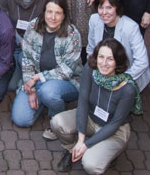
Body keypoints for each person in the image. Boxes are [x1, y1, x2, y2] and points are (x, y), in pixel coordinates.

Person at [51, 38, 142, 174]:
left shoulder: (127, 88)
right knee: (57, 122)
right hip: (91, 118)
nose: (104, 63)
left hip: (115, 130)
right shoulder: (90, 69)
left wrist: (86, 145)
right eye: (101, 57)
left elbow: (115, 123)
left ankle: (110, 153)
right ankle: (72, 150)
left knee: (91, 165)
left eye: (110, 59)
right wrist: (81, 140)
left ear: (118, 61)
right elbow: (82, 102)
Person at [11, 0, 82, 139]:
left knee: (48, 91)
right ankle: (44, 99)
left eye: (58, 13)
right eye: (49, 12)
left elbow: (67, 71)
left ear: (64, 15)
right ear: (44, 12)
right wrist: (31, 90)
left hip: (66, 82)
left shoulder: (72, 34)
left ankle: (56, 120)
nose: (53, 17)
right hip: (36, 82)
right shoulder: (33, 26)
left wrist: (37, 78)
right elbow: (27, 59)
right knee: (21, 119)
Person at [0, 0, 50, 91]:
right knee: (10, 86)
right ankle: (18, 69)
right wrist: (20, 41)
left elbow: (48, 25)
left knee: (22, 62)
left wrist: (28, 43)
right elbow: (3, 22)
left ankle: (27, 77)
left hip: (35, 45)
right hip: (12, 41)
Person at [87, 0, 150, 91]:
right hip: (103, 71)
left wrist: (119, 81)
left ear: (117, 8)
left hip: (127, 74)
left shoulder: (131, 27)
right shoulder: (94, 20)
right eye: (101, 7)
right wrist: (99, 73)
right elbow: (91, 49)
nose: (104, 12)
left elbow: (142, 62)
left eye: (109, 8)